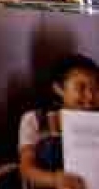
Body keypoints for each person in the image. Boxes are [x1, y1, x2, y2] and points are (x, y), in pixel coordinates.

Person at [19, 55, 98, 189]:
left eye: (96, 89)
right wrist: (54, 179)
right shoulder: (35, 119)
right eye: (81, 87)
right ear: (59, 89)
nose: (90, 96)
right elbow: (26, 168)